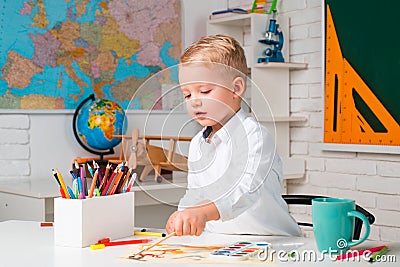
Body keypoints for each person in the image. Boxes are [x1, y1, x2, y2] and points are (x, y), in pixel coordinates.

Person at [166, 34, 302, 237]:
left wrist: (202, 213)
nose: (194, 101)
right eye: (187, 94)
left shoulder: (254, 136)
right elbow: (196, 192)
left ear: (236, 88)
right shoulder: (197, 144)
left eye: (204, 91)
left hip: (270, 241)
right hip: (219, 242)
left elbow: (244, 192)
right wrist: (183, 212)